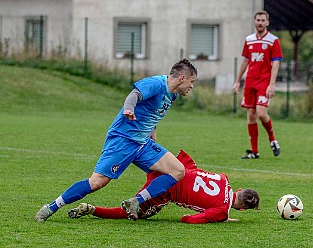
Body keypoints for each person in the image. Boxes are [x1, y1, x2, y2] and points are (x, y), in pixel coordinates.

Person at [35, 58, 198, 222]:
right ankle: (51, 207)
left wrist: (152, 131)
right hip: (123, 140)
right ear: (182, 78)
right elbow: (134, 95)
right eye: (191, 81)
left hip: (142, 144)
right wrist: (128, 109)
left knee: (178, 170)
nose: (192, 86)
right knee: (96, 183)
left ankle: (135, 202)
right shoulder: (156, 84)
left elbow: (151, 111)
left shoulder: (173, 95)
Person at [68, 150, 260, 224]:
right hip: (166, 188)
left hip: (173, 167)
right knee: (140, 214)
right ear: (242, 208)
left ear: (239, 189)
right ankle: (92, 209)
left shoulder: (224, 178)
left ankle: (133, 149)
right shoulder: (222, 212)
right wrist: (221, 218)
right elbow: (188, 219)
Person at [233, 10, 282, 159]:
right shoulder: (249, 40)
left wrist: (272, 84)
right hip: (250, 82)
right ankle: (254, 152)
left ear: (267, 23)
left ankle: (272, 139)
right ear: (255, 22)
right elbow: (245, 61)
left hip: (264, 82)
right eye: (258, 20)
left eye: (263, 20)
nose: (260, 23)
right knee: (251, 115)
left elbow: (275, 63)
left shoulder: (273, 41)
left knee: (261, 113)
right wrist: (237, 81)